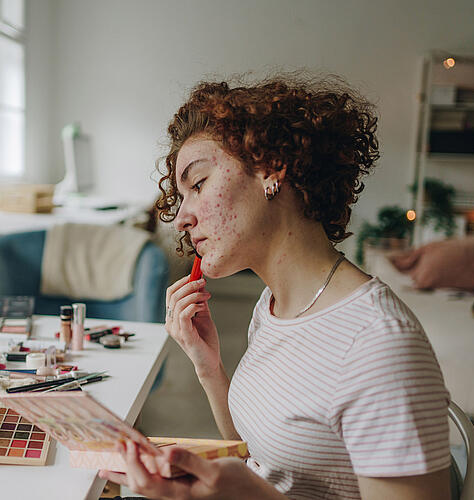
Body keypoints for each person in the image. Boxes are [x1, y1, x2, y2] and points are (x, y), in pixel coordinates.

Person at [99, 75, 452, 500]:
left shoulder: (379, 344)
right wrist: (208, 366)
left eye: (198, 184)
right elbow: (260, 461)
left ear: (271, 166)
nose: (181, 218)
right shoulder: (275, 306)